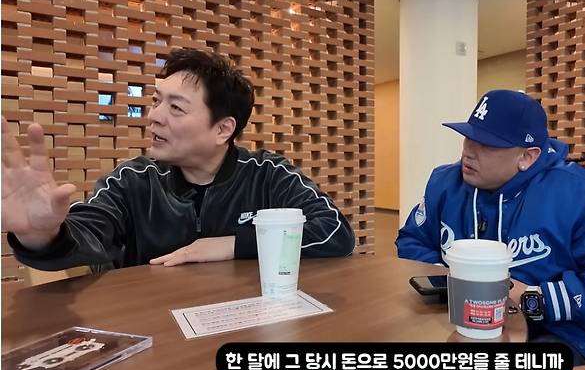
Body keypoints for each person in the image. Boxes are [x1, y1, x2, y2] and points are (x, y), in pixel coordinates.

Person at [2, 48, 355, 272]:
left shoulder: (267, 174)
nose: (154, 116)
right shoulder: (132, 181)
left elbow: (336, 233)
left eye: (176, 108)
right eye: (156, 101)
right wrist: (43, 235)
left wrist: (230, 244)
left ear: (223, 129)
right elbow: (88, 234)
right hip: (152, 335)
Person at [396, 89, 585, 365]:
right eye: (469, 137)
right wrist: (450, 282)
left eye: (487, 144)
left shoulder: (581, 195)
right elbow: (413, 240)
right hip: (455, 320)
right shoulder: (444, 183)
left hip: (554, 333)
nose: (468, 151)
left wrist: (537, 299)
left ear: (527, 157)